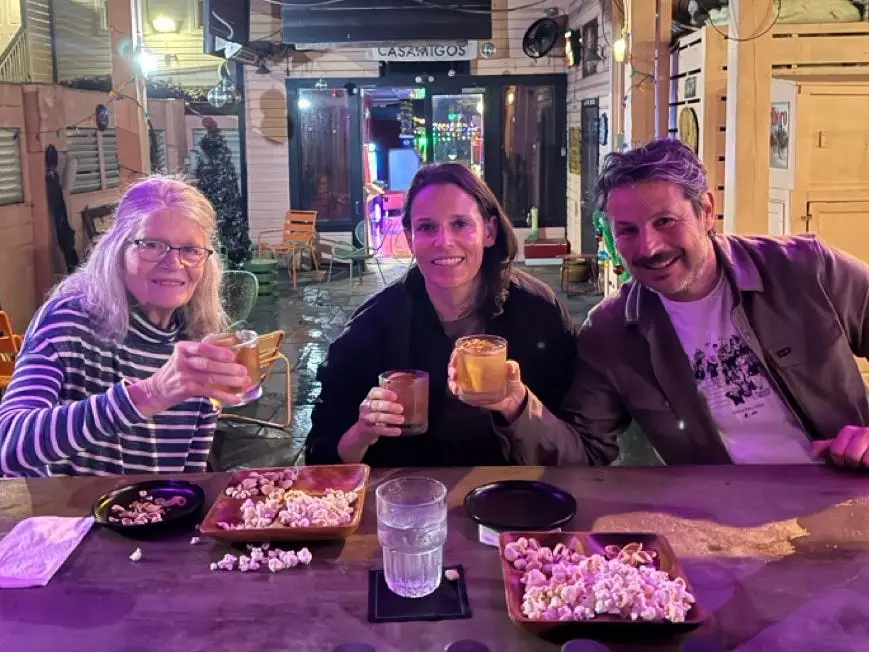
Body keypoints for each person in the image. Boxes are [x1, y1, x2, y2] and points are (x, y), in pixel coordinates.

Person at [556, 138, 869, 469]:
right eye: (628, 231)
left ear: (706, 210)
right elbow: (583, 450)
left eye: (664, 221)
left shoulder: (807, 268)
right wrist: (515, 404)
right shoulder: (609, 331)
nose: (648, 247)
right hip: (716, 511)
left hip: (844, 493)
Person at [304, 163, 589, 467]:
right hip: (411, 502)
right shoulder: (373, 326)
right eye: (427, 227)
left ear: (489, 231)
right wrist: (362, 432)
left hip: (519, 499)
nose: (444, 242)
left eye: (460, 223)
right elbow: (319, 459)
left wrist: (518, 406)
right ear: (410, 239)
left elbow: (580, 456)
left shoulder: (538, 312)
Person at [0, 176, 250, 477]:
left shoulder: (194, 341)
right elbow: (8, 445)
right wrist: (150, 394)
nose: (174, 263)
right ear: (118, 250)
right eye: (152, 245)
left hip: (157, 519)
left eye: (190, 250)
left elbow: (188, 477)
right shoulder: (68, 321)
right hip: (69, 522)